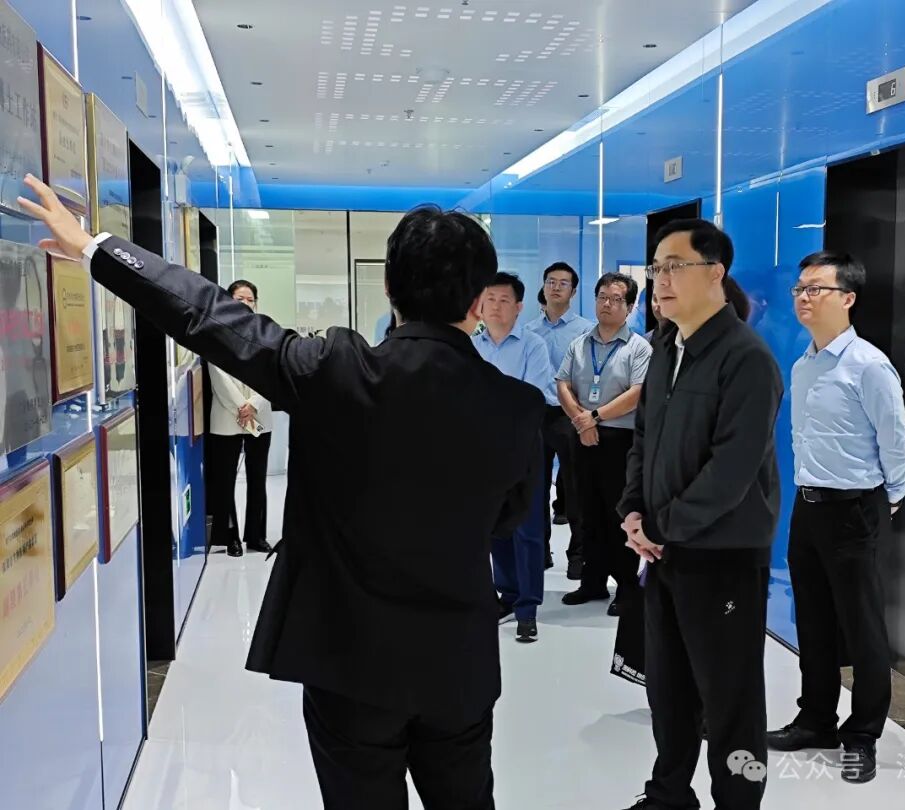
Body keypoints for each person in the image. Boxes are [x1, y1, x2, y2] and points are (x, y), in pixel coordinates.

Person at [19, 176, 545, 810]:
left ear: (388, 285)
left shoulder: (336, 370)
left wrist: (94, 248)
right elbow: (508, 518)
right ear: (480, 300)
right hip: (456, 664)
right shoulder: (518, 408)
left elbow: (210, 317)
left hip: (348, 661)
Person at [618, 219, 782, 810]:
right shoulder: (666, 348)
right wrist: (633, 510)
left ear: (715, 273)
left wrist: (660, 527)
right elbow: (644, 439)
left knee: (729, 697)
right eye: (656, 268)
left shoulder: (747, 358)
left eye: (674, 266)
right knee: (669, 688)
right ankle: (668, 795)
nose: (660, 280)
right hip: (666, 552)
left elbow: (731, 471)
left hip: (723, 556)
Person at [766, 251, 905, 784]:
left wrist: (889, 499)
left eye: (817, 289)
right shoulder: (803, 364)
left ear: (847, 298)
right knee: (813, 620)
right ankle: (816, 719)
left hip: (856, 509)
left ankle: (863, 735)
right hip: (809, 508)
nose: (804, 297)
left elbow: (896, 441)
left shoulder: (868, 365)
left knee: (862, 625)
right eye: (800, 289)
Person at [557, 272, 652, 617]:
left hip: (620, 441)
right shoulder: (579, 344)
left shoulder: (638, 348)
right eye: (601, 297)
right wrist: (581, 420)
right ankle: (592, 582)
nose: (607, 304)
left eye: (615, 299)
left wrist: (593, 417)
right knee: (586, 511)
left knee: (619, 514)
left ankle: (626, 587)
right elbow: (563, 384)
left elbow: (637, 393)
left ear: (630, 306)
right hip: (583, 436)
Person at [473, 272, 557, 644]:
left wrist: (487, 406)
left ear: (519, 306)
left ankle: (528, 608)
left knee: (528, 528)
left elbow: (531, 396)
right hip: (482, 449)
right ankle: (506, 594)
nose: (495, 306)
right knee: (495, 525)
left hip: (523, 446)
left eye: (504, 300)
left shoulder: (533, 345)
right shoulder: (470, 344)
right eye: (489, 299)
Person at [526, 262, 594, 578]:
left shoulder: (585, 330)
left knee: (575, 489)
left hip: (570, 415)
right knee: (535, 489)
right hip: (537, 415)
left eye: (563, 283)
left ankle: (578, 556)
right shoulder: (528, 331)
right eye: (550, 281)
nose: (555, 287)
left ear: (573, 291)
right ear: (543, 286)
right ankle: (539, 553)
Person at [207, 279, 275, 558]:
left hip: (259, 415)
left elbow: (271, 372)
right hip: (227, 416)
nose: (246, 304)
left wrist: (254, 405)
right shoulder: (215, 333)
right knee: (225, 481)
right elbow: (218, 374)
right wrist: (241, 406)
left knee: (258, 479)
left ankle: (256, 536)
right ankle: (230, 536)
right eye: (239, 299)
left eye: (250, 299)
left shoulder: (267, 333)